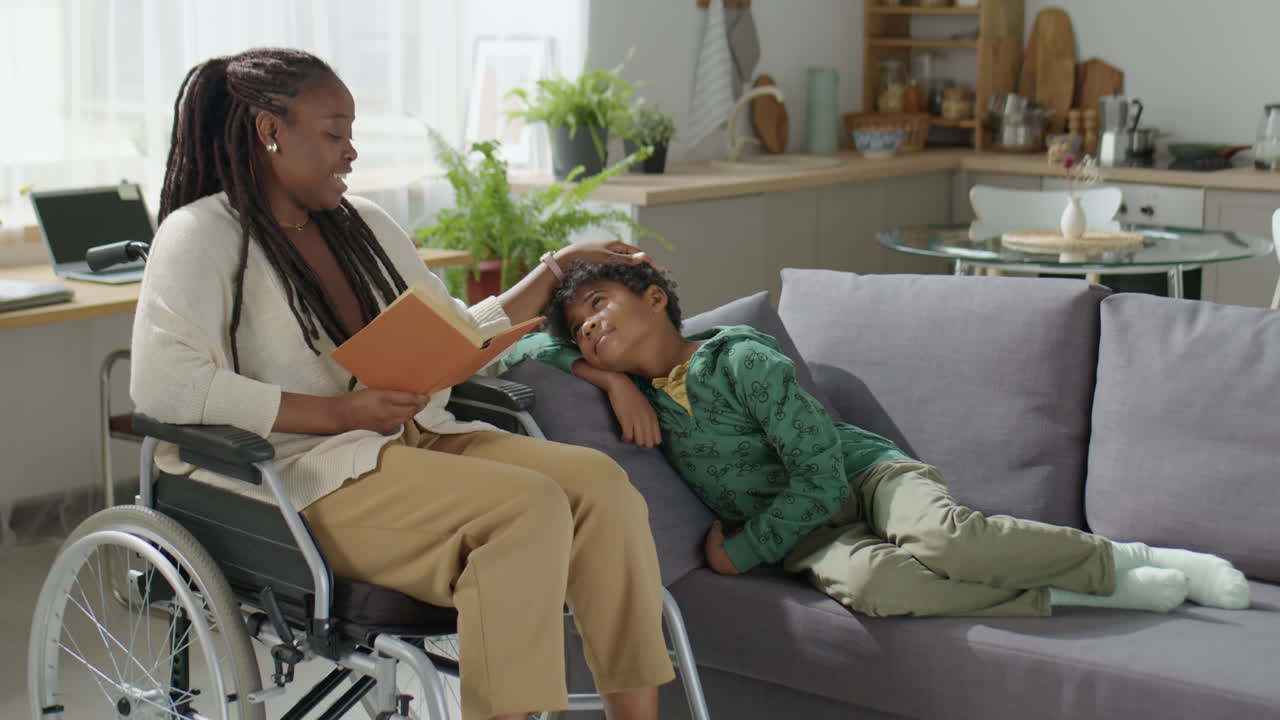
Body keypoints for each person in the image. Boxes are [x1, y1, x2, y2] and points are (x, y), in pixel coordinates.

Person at [130, 48, 674, 720]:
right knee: (525, 508)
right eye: (334, 133)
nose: (351, 153)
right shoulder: (200, 236)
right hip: (305, 473)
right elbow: (167, 388)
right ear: (271, 131)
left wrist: (556, 269)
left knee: (601, 486)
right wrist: (339, 412)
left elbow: (455, 333)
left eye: (351, 134)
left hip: (414, 437)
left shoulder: (364, 226)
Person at [504, 260, 1253, 618]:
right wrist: (606, 380)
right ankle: (1065, 592)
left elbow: (822, 476)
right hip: (808, 535)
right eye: (581, 327)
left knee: (947, 542)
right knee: (877, 588)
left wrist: (746, 549)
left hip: (863, 480)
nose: (590, 326)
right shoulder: (638, 394)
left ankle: (1127, 558)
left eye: (600, 303)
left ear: (654, 297)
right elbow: (518, 346)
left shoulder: (741, 360)